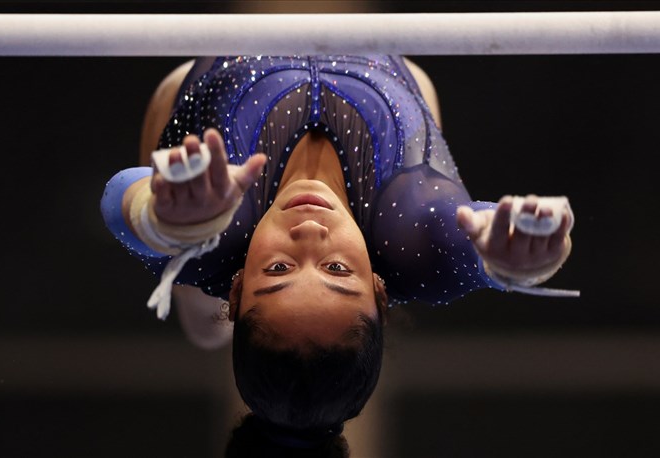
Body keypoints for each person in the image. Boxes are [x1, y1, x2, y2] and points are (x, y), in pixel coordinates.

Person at [101, 55, 574, 452]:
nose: (309, 232)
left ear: (239, 287)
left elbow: (117, 199)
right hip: (390, 67)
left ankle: (201, 302)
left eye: (279, 268)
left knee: (192, 260)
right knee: (206, 304)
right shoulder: (415, 244)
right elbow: (494, 252)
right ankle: (211, 313)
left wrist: (162, 218)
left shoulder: (221, 228)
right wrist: (519, 260)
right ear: (379, 292)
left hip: (194, 109)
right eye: (337, 268)